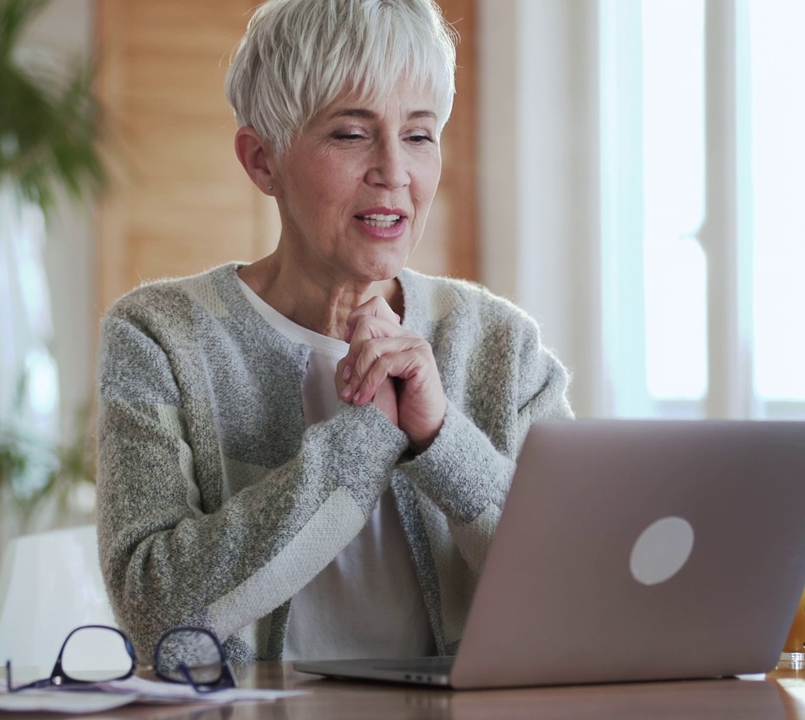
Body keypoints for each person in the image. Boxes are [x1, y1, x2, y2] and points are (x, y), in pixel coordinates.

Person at [96, 0, 572, 665]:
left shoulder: (503, 347)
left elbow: (580, 588)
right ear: (263, 162)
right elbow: (155, 613)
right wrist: (363, 442)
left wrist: (441, 437)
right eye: (352, 133)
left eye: (419, 134)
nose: (395, 172)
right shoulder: (160, 336)